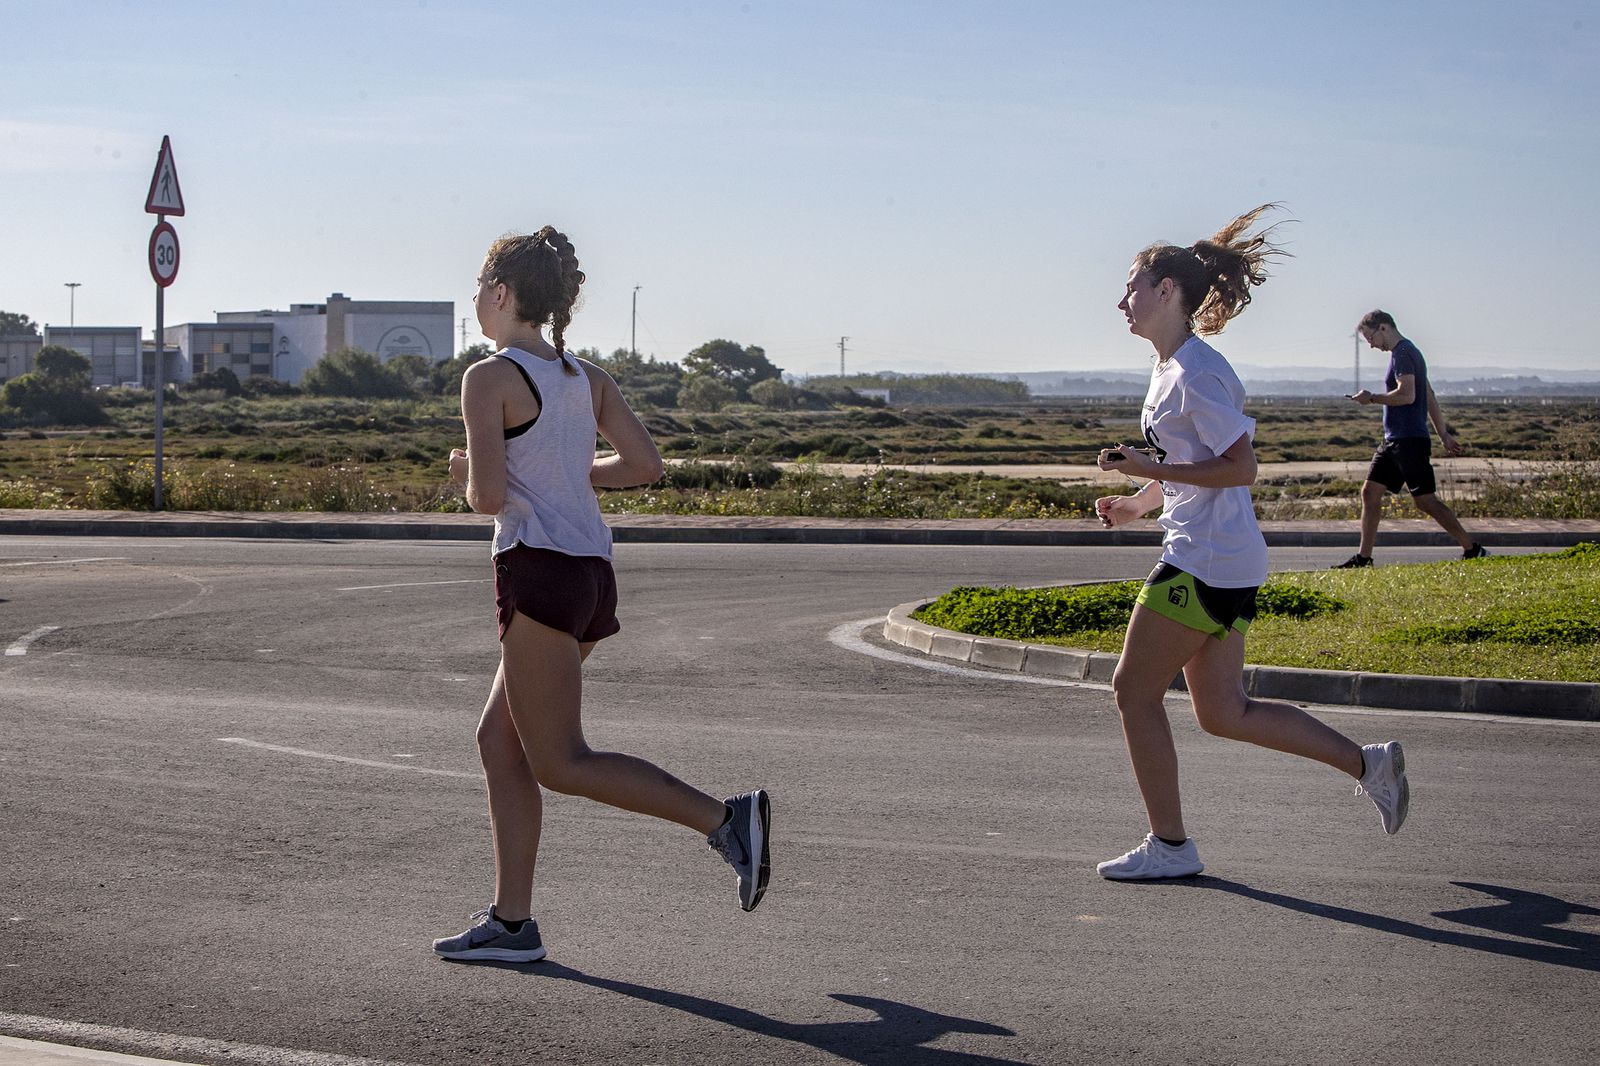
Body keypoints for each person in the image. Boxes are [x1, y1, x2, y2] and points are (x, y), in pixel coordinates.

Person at [435, 228, 770, 961]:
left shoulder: (487, 378)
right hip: (589, 575)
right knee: (501, 743)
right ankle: (512, 924)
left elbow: (488, 497)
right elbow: (645, 464)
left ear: (500, 294)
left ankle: (726, 819)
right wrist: (563, 473)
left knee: (559, 761)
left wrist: (467, 471)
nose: (475, 304)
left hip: (538, 570)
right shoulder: (587, 378)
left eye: (478, 291)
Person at [1091, 205, 1409, 880]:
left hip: (1202, 562)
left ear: (1167, 291)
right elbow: (1191, 470)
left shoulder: (1197, 372)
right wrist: (1139, 502)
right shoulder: (1171, 367)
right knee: (1223, 711)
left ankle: (1171, 847)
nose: (1122, 300)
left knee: (1132, 691)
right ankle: (1369, 764)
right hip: (1220, 557)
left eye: (1132, 287)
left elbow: (1240, 467)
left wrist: (1148, 470)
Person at [1333, 310, 1487, 568]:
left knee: (1425, 501)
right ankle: (1364, 558)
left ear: (1383, 328)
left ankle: (1472, 548)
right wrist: (1444, 434)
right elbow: (1429, 396)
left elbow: (1408, 395)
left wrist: (1371, 398)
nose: (1371, 345)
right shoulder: (1406, 353)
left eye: (1370, 338)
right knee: (1370, 493)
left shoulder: (1403, 353)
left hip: (1409, 441)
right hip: (1393, 440)